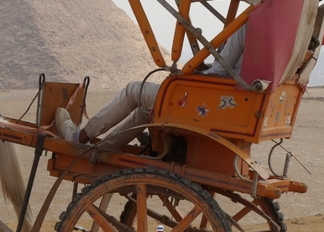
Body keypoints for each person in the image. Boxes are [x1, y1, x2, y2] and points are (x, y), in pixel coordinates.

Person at [55, 25, 246, 146]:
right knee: (144, 110)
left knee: (133, 91)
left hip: (210, 103)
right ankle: (103, 150)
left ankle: (78, 138)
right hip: (238, 106)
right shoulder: (269, 30)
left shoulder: (244, 27)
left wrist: (194, 73)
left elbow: (218, 73)